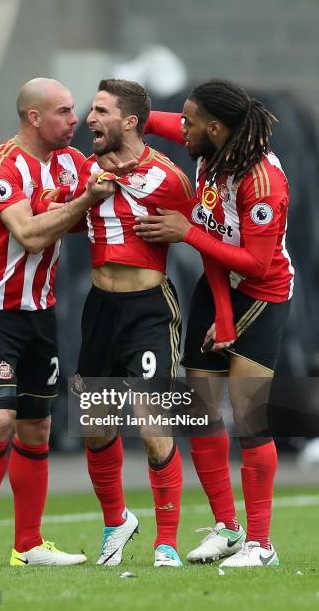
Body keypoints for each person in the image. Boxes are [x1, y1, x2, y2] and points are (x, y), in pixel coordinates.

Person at [0, 77, 119, 568]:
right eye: (65, 112)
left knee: (35, 428)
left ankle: (27, 544)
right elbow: (28, 234)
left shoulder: (72, 163)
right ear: (34, 117)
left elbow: (105, 184)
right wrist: (86, 202)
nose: (77, 121)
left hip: (40, 312)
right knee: (0, 419)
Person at [135, 79, 294, 568]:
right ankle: (227, 529)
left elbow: (258, 265)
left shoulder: (262, 181)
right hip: (218, 285)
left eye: (189, 121)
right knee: (201, 414)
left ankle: (261, 545)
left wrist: (187, 233)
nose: (179, 128)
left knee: (249, 421)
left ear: (216, 127)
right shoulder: (210, 150)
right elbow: (152, 123)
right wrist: (119, 118)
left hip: (262, 295)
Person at [72, 78, 195, 568]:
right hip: (100, 309)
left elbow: (202, 235)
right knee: (97, 429)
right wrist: (82, 198)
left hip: (148, 310)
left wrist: (181, 235)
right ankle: (116, 524)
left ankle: (166, 543)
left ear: (129, 121)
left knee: (152, 425)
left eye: (101, 111)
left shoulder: (168, 177)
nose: (89, 119)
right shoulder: (86, 171)